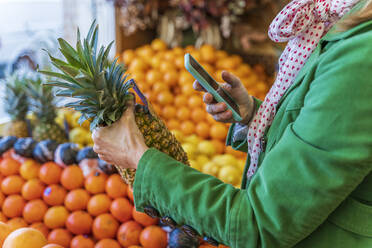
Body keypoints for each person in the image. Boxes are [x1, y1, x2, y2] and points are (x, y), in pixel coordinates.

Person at [92, 0, 372, 247]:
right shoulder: (348, 17)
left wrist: (136, 156)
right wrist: (255, 116)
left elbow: (258, 225)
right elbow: (327, 131)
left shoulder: (359, 56)